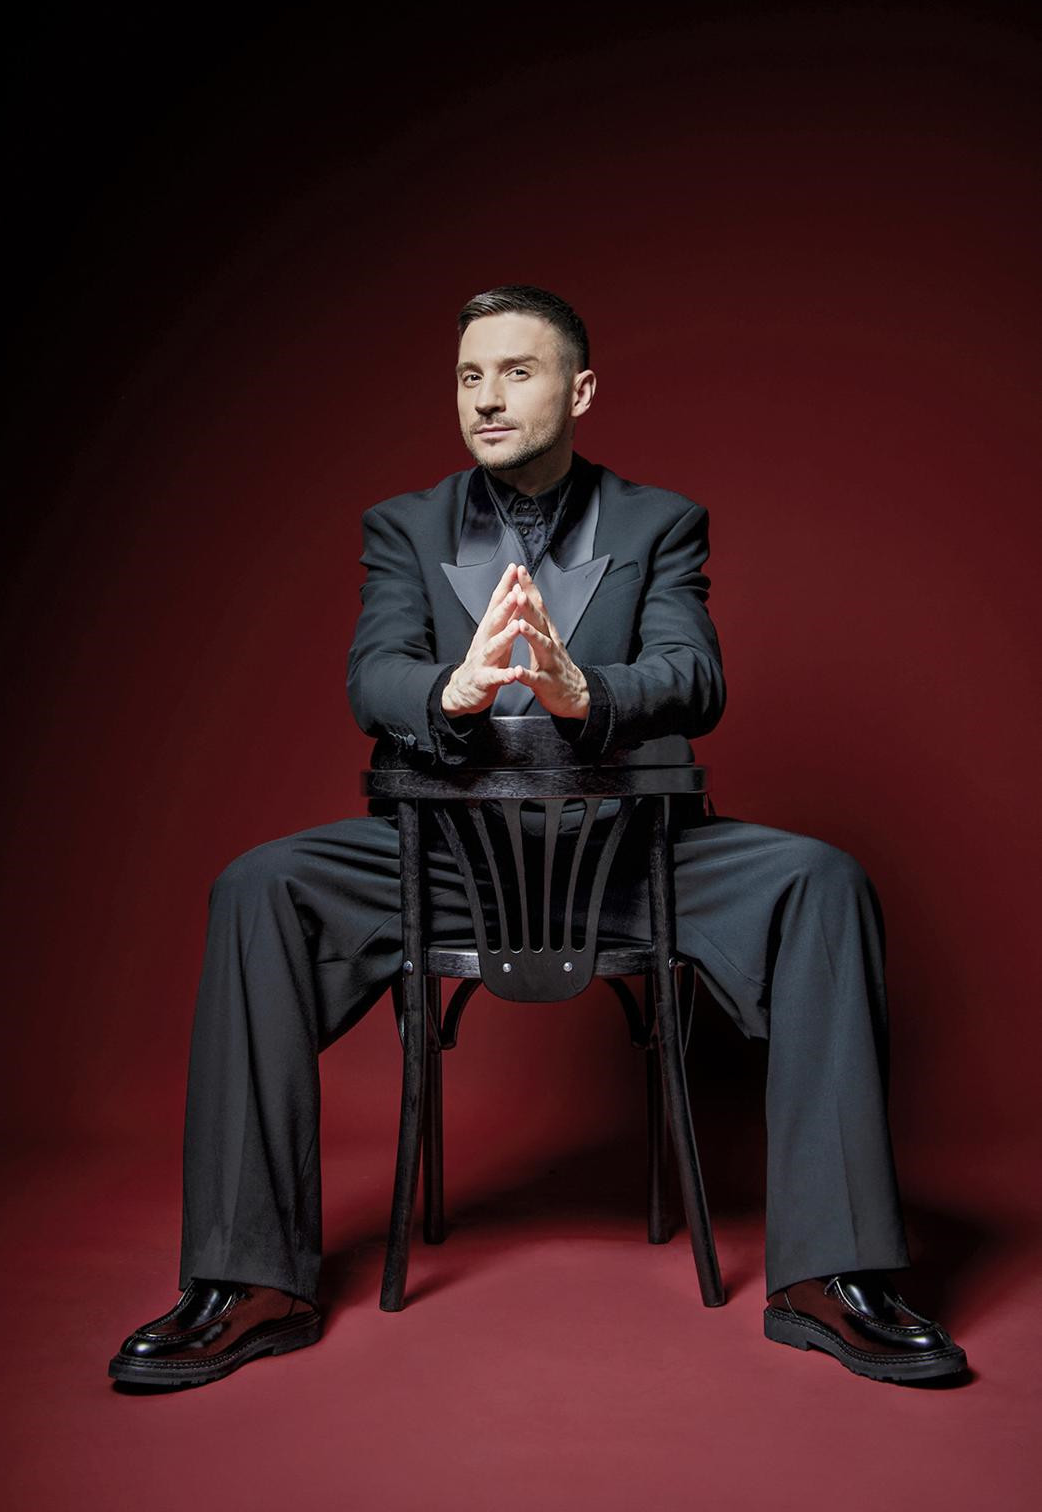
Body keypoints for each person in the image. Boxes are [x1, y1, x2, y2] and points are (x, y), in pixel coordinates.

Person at [109, 284, 966, 1388]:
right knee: (255, 886)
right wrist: (450, 689)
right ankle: (247, 1283)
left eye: (515, 371)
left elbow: (693, 675)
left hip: (631, 861)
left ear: (581, 389)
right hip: (444, 862)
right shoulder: (403, 526)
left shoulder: (660, 522)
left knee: (824, 881)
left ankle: (831, 1277)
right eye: (469, 375)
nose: (486, 397)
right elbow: (373, 674)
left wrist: (583, 690)